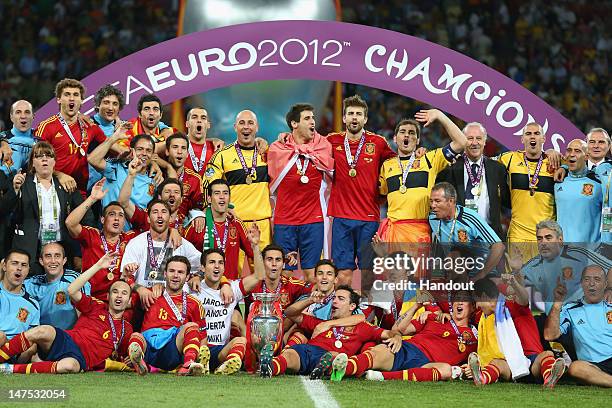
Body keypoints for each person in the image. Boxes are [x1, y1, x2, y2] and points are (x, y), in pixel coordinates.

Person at [0, 253, 132, 374]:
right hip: (67, 340)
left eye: (124, 293)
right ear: (108, 296)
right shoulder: (96, 306)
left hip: (81, 359)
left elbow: (129, 351)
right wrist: (98, 266)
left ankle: (9, 369)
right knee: (43, 330)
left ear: (130, 300)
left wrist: (132, 359)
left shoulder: (127, 328)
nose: (119, 296)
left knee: (69, 366)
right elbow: (72, 290)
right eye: (115, 292)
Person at [326, 95, 396, 285]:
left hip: (369, 218)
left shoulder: (378, 142)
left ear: (365, 119)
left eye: (358, 114)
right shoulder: (331, 141)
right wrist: (286, 136)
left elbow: (399, 162)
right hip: (341, 217)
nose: (354, 118)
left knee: (369, 274)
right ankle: (343, 313)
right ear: (343, 118)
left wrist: (418, 152)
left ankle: (367, 313)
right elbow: (307, 144)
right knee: (343, 274)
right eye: (350, 114)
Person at [377, 110, 467, 258]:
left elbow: (462, 142)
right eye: (403, 132)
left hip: (419, 232)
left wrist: (440, 116)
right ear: (395, 138)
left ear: (418, 140)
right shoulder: (386, 166)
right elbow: (379, 195)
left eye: (412, 133)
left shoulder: (429, 159)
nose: (407, 135)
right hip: (393, 234)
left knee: (418, 280)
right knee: (393, 280)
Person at [259, 285, 401, 379]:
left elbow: (389, 333)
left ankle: (323, 369)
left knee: (333, 356)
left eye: (340, 299)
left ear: (352, 306)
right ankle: (271, 367)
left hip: (331, 356)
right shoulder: (320, 322)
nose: (334, 302)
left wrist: (397, 337)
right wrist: (310, 300)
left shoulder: (362, 327)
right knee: (290, 354)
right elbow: (290, 313)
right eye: (334, 298)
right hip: (308, 350)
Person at [520, 220, 612, 355]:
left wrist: (609, 289)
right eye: (539, 239)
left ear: (560, 240)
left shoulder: (580, 254)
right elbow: (518, 293)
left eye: (548, 238)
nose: (543, 242)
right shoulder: (531, 267)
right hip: (556, 321)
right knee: (533, 317)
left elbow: (610, 266)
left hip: (584, 317)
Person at [337, 294, 476, 382]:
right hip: (408, 350)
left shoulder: (474, 337)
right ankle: (341, 368)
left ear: (473, 307)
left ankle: (382, 377)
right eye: (457, 300)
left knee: (446, 370)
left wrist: (469, 368)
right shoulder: (433, 318)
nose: (459, 303)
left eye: (464, 300)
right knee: (377, 353)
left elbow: (476, 359)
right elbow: (397, 329)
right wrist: (416, 306)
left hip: (427, 364)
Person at [0, 142, 93, 273]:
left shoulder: (66, 184)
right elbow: (3, 211)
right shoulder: (21, 182)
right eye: (39, 156)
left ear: (54, 161)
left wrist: (82, 250)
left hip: (61, 249)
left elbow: (87, 217)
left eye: (48, 156)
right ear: (32, 162)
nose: (44, 159)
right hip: (30, 250)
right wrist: (15, 190)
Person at [267, 104, 334, 282]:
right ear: (294, 123)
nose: (313, 121)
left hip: (313, 220)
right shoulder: (277, 149)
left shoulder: (323, 147)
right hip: (285, 221)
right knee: (284, 275)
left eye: (313, 118)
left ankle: (311, 310)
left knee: (312, 275)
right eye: (307, 118)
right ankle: (284, 310)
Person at [466, 278, 565, 388]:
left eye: (477, 300)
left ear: (484, 297)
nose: (477, 305)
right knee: (497, 363)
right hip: (510, 365)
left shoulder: (512, 305)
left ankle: (549, 377)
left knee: (547, 355)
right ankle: (482, 377)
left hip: (533, 361)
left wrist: (514, 283)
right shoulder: (483, 317)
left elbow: (524, 298)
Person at [204, 110, 272, 268]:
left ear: (257, 127)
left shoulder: (267, 153)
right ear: (235, 127)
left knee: (263, 274)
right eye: (242, 123)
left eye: (250, 123)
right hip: (233, 221)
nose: (246, 127)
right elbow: (208, 185)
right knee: (231, 272)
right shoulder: (222, 156)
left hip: (261, 223)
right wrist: (223, 208)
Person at [194, 224, 263, 375]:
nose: (216, 266)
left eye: (220, 263)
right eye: (212, 262)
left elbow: (259, 276)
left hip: (220, 350)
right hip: (198, 346)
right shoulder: (193, 288)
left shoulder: (233, 287)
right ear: (203, 267)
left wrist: (255, 246)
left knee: (241, 341)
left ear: (224, 268)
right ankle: (200, 362)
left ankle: (225, 368)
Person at [34, 78, 119, 196]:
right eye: (67, 94)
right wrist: (59, 175)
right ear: (58, 99)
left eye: (76, 95)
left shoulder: (90, 126)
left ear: (82, 100)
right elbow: (34, 163)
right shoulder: (46, 127)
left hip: (80, 192)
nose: (71, 98)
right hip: (52, 188)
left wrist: (134, 152)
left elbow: (111, 145)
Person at [126, 255, 209, 376]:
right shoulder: (149, 293)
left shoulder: (194, 303)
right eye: (171, 271)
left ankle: (189, 364)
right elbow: (122, 301)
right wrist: (137, 287)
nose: (175, 275)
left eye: (180, 272)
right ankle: (140, 362)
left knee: (191, 326)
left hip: (172, 349)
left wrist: (202, 361)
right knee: (136, 336)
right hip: (148, 347)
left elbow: (202, 338)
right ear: (164, 274)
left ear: (187, 277)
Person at [119, 200, 201, 310]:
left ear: (170, 218)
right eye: (155, 212)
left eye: (163, 212)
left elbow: (203, 264)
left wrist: (197, 276)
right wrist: (140, 289)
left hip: (173, 305)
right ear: (148, 218)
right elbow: (125, 277)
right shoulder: (136, 243)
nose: (160, 216)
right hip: (143, 304)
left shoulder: (180, 243)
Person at [436, 122, 510, 240]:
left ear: (485, 142)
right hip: (460, 236)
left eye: (479, 138)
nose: (475, 143)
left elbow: (508, 201)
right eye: (470, 138)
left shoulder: (497, 169)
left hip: (491, 236)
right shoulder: (451, 168)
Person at [65, 179, 136, 301]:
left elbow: (154, 232)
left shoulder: (130, 238)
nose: (117, 219)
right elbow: (70, 223)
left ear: (124, 222)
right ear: (103, 220)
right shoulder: (92, 235)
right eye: (112, 214)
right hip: (92, 299)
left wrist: (173, 231)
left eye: (121, 215)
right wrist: (92, 199)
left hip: (120, 301)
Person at [544, 265, 612, 387]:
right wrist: (557, 303)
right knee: (575, 368)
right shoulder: (570, 309)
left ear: (605, 283)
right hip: (594, 367)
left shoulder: (610, 307)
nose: (591, 283)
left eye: (597, 279)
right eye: (587, 279)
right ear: (581, 283)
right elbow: (550, 335)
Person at [429, 182, 505, 280]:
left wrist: (481, 275)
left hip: (481, 273)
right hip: (456, 272)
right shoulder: (432, 218)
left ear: (451, 201)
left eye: (437, 201)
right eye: (431, 201)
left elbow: (499, 246)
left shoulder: (469, 218)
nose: (433, 205)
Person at [497, 122, 557, 244]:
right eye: (528, 134)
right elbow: (484, 163)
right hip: (518, 236)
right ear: (522, 139)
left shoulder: (555, 162)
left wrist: (561, 161)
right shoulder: (509, 159)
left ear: (544, 138)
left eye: (537, 133)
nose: (532, 137)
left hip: (547, 237)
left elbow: (576, 163)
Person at [184, 179, 253, 280]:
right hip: (203, 289)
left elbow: (253, 254)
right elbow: (181, 257)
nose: (222, 197)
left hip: (230, 289)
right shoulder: (198, 224)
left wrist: (255, 244)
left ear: (229, 198)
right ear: (209, 199)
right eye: (217, 193)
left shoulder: (236, 223)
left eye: (225, 193)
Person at [88, 132, 160, 215]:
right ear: (132, 151)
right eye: (140, 149)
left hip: (138, 227)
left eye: (148, 150)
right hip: (110, 225)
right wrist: (112, 139)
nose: (144, 153)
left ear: (153, 154)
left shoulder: (154, 179)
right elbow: (92, 159)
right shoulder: (116, 168)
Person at [24, 242, 89, 330]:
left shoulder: (76, 280)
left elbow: (86, 313)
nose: (53, 261)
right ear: (41, 261)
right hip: (42, 337)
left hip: (70, 337)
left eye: (57, 256)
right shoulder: (33, 283)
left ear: (64, 260)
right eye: (48, 256)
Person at [554, 139, 602, 242]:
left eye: (577, 151)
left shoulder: (599, 183)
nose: (572, 154)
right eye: (569, 150)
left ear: (587, 156)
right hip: (562, 252)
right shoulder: (558, 180)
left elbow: (608, 215)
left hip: (589, 253)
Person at [0, 249, 40, 344]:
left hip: (14, 353)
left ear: (28, 270)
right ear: (4, 266)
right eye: (14, 263)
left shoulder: (33, 305)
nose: (19, 268)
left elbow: (32, 340)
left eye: (24, 265)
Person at [161, 132, 203, 219]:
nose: (179, 152)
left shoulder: (195, 179)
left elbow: (198, 208)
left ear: (187, 154)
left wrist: (199, 215)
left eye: (183, 148)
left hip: (183, 227)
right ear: (167, 151)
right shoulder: (157, 174)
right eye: (175, 147)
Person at [0, 100, 36, 176]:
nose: (23, 116)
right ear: (11, 117)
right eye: (18, 112)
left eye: (27, 112)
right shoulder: (3, 140)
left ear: (33, 116)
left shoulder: (42, 140)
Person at [183, 106, 217, 178]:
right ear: (187, 124)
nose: (199, 120)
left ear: (208, 125)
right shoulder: (177, 146)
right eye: (194, 117)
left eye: (203, 118)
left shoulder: (216, 148)